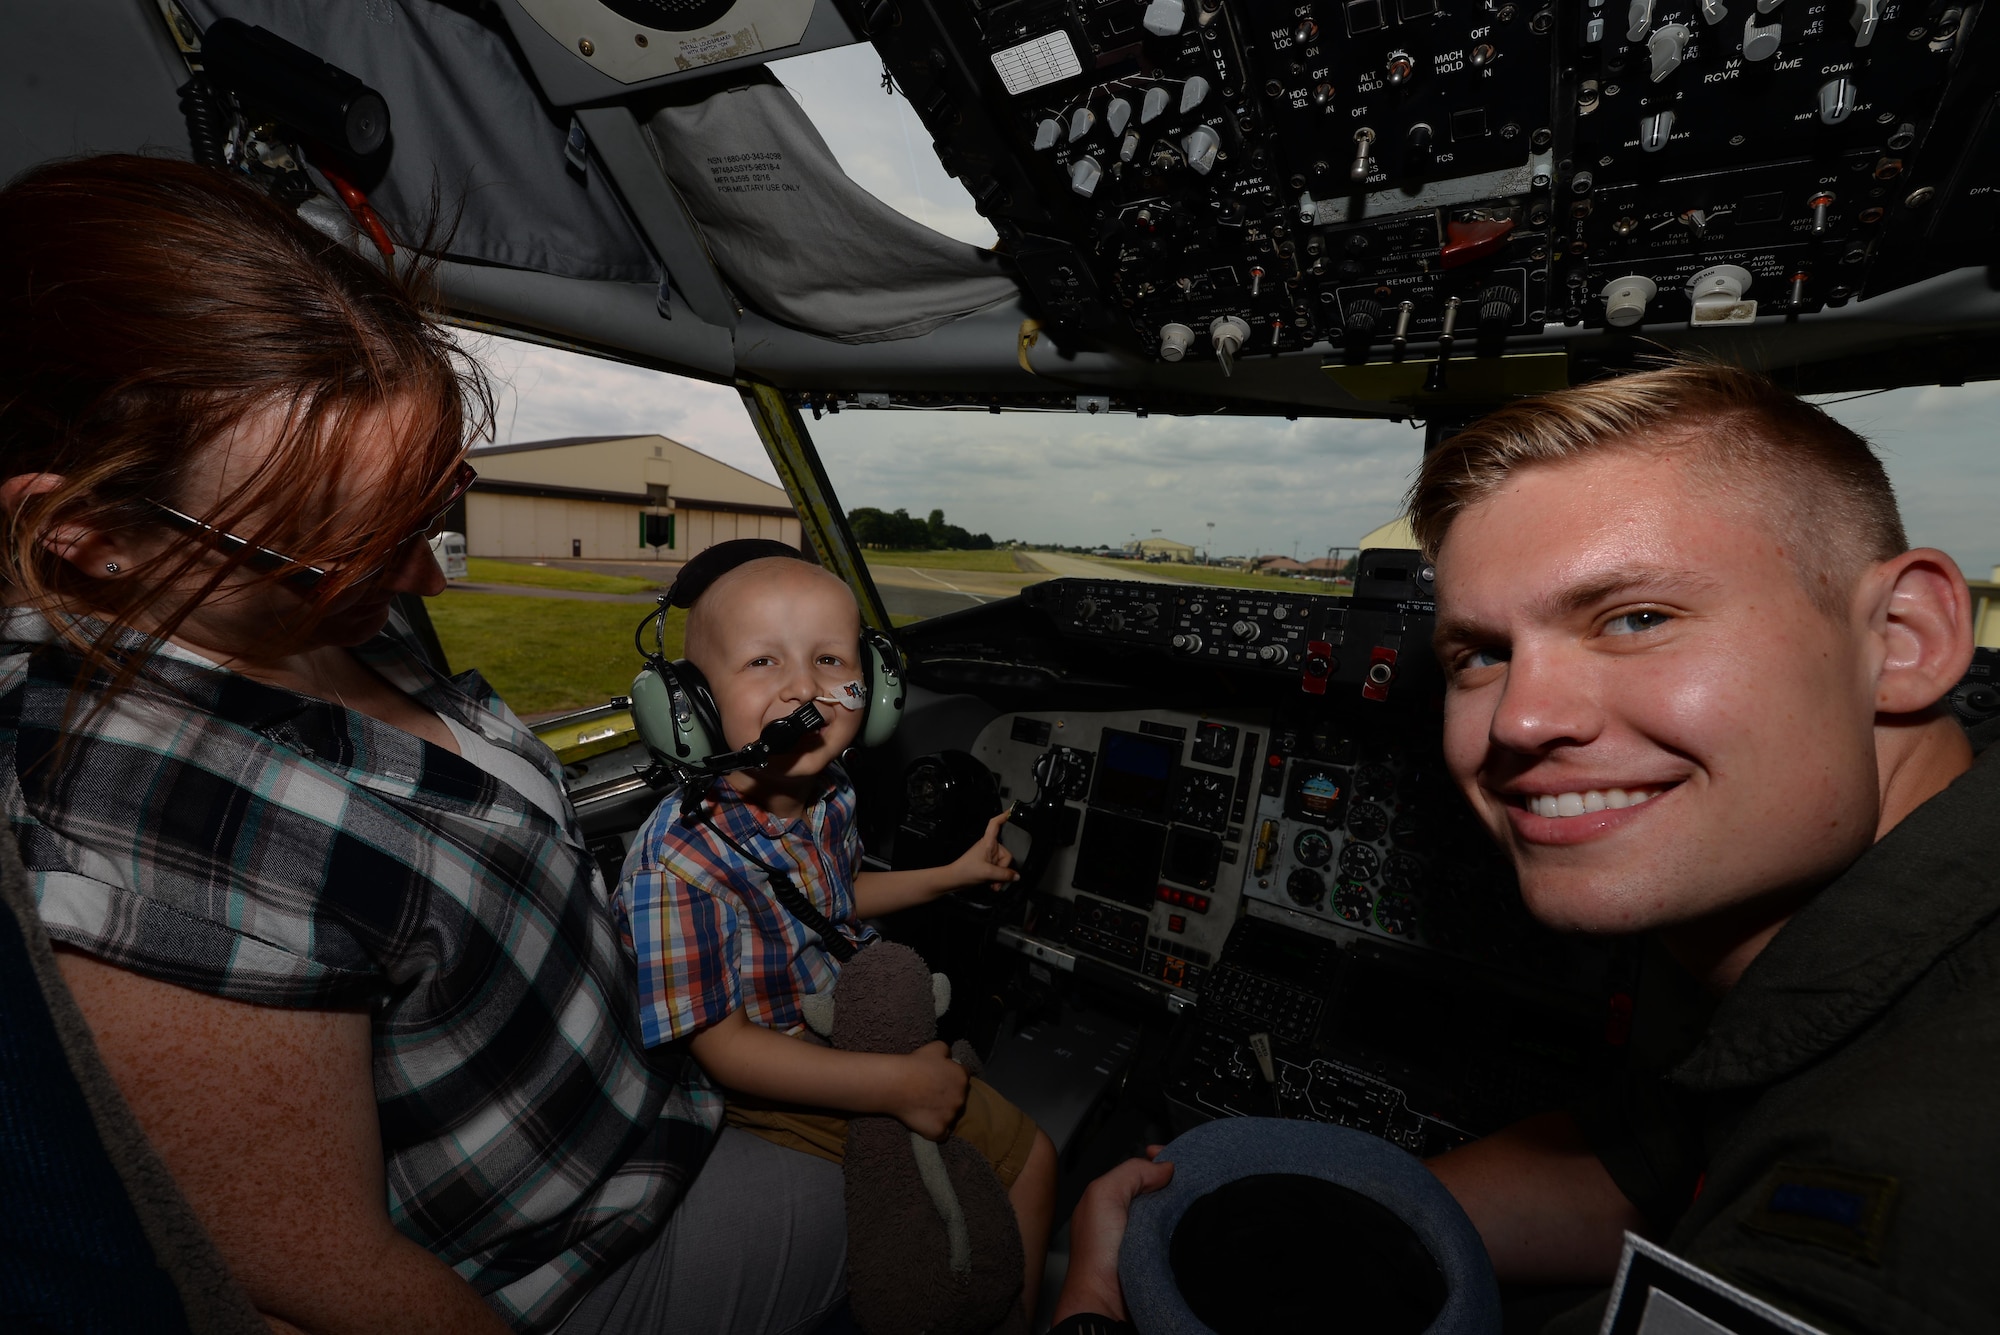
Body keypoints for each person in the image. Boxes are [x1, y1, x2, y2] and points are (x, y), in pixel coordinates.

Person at [0, 155, 845, 1334]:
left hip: (645, 1127)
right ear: (93, 540)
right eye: (343, 554)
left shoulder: (300, 593)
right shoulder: (113, 829)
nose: (414, 582)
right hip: (559, 1273)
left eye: (435, 504)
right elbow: (319, 1275)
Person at [1049, 361, 1992, 1335]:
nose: (1520, 719)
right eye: (1480, 654)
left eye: (1633, 618)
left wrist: (1086, 1316)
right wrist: (1346, 1218)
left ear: (1904, 636)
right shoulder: (1815, 965)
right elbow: (1643, 1165)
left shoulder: (1921, 1174)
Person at [616, 541, 1060, 1317]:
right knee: (1034, 1161)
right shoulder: (675, 864)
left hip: (847, 1017)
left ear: (876, 685)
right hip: (763, 1075)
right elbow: (720, 1047)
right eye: (762, 663)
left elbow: (835, 894)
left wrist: (954, 872)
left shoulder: (828, 792)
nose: (805, 688)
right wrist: (893, 1083)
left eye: (829, 658)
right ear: (688, 703)